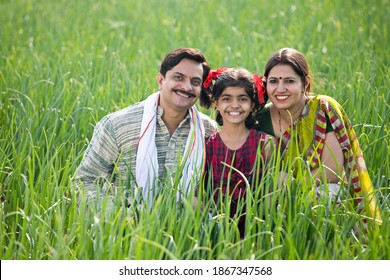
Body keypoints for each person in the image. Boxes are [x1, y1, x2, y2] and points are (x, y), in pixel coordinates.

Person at [74, 48, 218, 207]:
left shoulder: (207, 130)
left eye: (195, 82)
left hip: (187, 229)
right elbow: (85, 180)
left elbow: (216, 186)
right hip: (126, 229)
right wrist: (119, 218)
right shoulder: (118, 124)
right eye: (179, 77)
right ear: (161, 80)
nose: (187, 87)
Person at [255, 47, 381, 223]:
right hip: (274, 194)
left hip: (318, 191)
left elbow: (332, 171)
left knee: (328, 195)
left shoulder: (322, 109)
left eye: (289, 81)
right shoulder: (260, 118)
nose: (280, 89)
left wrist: (291, 185)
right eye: (274, 81)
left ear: (305, 82)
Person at [201, 67, 276, 237]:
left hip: (256, 229)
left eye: (242, 99)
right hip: (217, 229)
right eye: (226, 99)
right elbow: (199, 194)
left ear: (252, 104)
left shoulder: (265, 143)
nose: (235, 105)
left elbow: (272, 193)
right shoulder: (207, 146)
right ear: (216, 102)